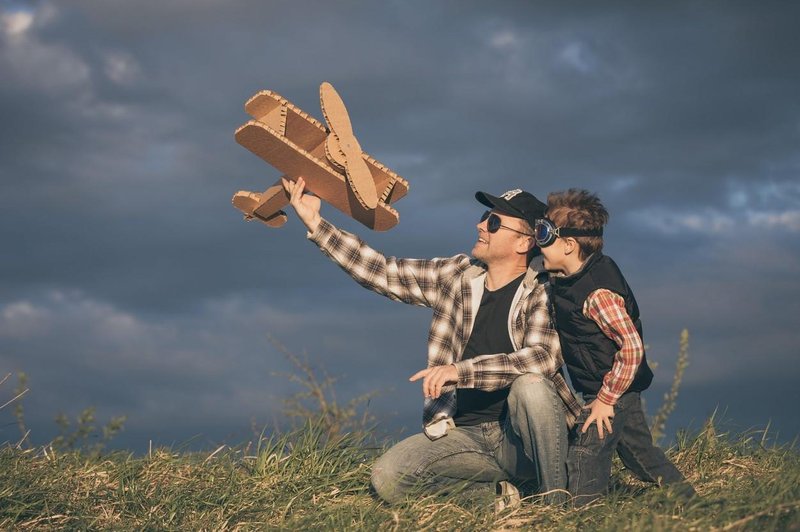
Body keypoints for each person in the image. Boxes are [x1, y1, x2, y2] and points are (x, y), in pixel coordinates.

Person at [281, 177, 582, 508]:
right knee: (389, 476)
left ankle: (556, 503)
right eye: (484, 216)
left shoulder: (543, 289)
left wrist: (460, 371)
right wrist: (316, 224)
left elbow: (541, 359)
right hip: (466, 436)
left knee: (532, 387)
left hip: (523, 440)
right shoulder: (458, 274)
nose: (481, 225)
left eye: (494, 222)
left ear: (524, 243)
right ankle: (498, 500)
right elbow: (385, 272)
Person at [534, 188, 696, 506]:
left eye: (543, 234)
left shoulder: (597, 293)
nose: (537, 242)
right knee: (640, 456)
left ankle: (584, 516)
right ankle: (692, 502)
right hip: (610, 388)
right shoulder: (566, 276)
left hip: (612, 391)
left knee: (586, 453)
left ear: (568, 245)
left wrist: (606, 399)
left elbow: (632, 348)